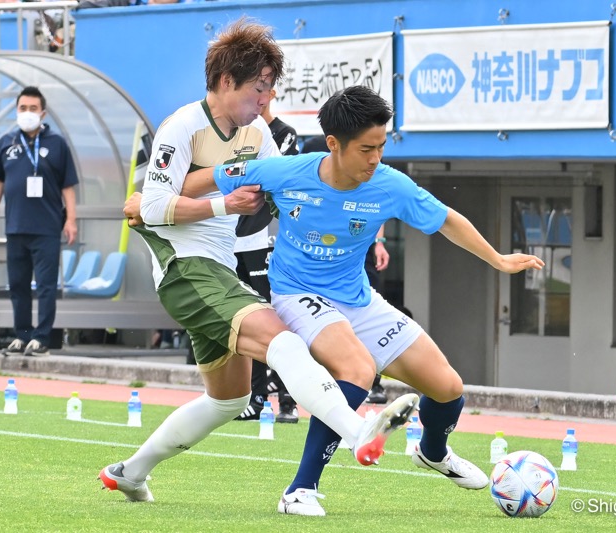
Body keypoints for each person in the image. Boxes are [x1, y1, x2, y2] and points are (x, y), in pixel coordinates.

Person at [159, 85, 545, 516]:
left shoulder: (390, 185)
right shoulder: (285, 172)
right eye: (366, 149)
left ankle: (433, 452)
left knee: (449, 390)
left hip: (358, 299)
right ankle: (300, 490)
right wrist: (153, 201)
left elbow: (447, 221)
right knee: (357, 370)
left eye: (381, 146)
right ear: (333, 144)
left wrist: (497, 259)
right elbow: (198, 181)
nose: (376, 158)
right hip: (296, 293)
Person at [106, 19, 419, 504]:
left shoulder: (256, 132)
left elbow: (282, 185)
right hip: (185, 269)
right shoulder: (181, 127)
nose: (264, 101)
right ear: (227, 81)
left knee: (228, 399)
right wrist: (222, 205)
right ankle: (358, 435)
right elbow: (147, 207)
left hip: (219, 271)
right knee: (284, 341)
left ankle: (131, 472)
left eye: (270, 90)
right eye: (259, 89)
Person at [0, 86, 79, 357]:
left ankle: (42, 337)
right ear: (17, 111)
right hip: (15, 227)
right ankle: (22, 335)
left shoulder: (57, 144)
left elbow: (68, 186)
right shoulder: (6, 143)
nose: (27, 113)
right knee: (18, 286)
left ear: (43, 112)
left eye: (33, 109)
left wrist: (70, 219)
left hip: (47, 228)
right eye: (22, 108)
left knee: (46, 286)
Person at [301, 134, 390, 405]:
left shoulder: (363, 167)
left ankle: (373, 382)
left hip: (356, 252)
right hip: (321, 258)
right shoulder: (311, 154)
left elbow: (375, 206)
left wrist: (379, 242)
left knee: (361, 313)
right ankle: (324, 380)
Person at [234, 87, 299, 424]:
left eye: (262, 91)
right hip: (231, 240)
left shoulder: (283, 135)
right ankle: (255, 397)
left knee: (277, 319)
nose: (256, 99)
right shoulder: (233, 132)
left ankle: (289, 401)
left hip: (265, 240)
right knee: (248, 320)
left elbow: (272, 182)